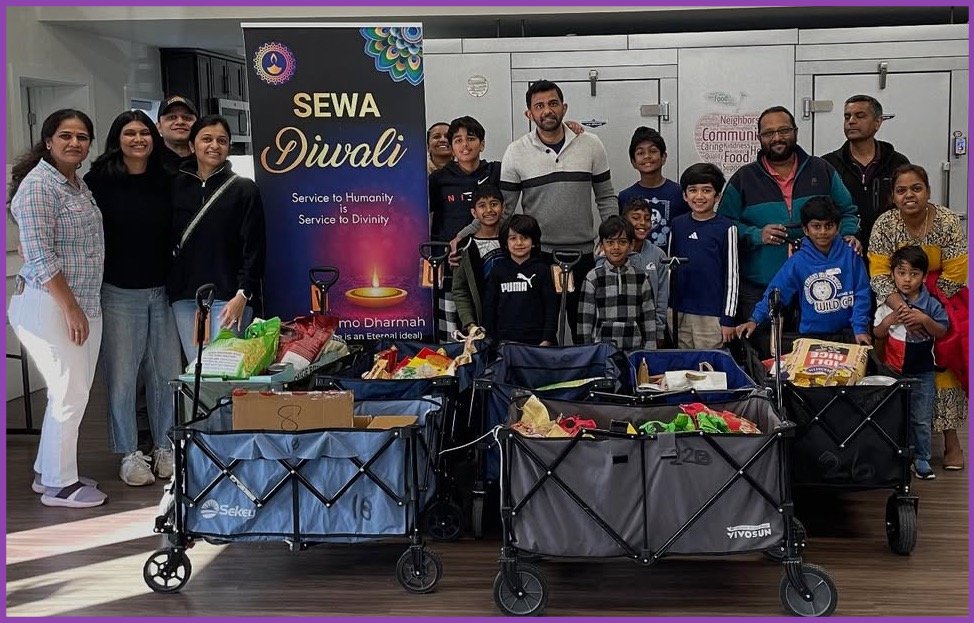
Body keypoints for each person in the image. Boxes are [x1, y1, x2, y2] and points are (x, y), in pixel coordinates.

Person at [456, 80, 617, 342]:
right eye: (539, 106)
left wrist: (609, 241)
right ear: (529, 114)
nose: (547, 111)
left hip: (584, 256)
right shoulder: (516, 152)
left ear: (564, 108)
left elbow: (606, 197)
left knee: (584, 331)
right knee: (544, 334)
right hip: (539, 259)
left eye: (553, 103)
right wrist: (465, 236)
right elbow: (501, 211)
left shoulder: (591, 144)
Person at [7, 109, 107, 508]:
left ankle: (49, 470)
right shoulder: (38, 187)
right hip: (53, 304)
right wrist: (71, 308)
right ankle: (60, 486)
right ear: (48, 140)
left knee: (70, 392)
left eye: (82, 137)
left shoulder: (74, 184)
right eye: (65, 135)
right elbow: (39, 254)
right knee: (70, 392)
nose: (74, 143)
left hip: (81, 301)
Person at [84, 110, 182, 487]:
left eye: (144, 132)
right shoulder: (97, 182)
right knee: (123, 379)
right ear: (117, 138)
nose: (138, 139)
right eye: (129, 133)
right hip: (118, 291)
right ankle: (129, 453)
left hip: (163, 292)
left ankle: (164, 447)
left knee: (166, 376)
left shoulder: (167, 180)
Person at [719, 106, 859, 352]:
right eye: (768, 133)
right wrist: (756, 234)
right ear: (759, 137)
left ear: (795, 131)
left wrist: (846, 235)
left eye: (783, 130)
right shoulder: (744, 178)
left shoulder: (822, 169)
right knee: (765, 359)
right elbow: (723, 225)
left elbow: (848, 211)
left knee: (817, 360)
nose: (776, 138)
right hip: (761, 286)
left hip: (822, 290)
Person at [868, 164, 968, 471]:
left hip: (941, 298)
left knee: (946, 362)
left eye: (916, 188)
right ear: (893, 196)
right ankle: (894, 443)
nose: (909, 195)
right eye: (901, 190)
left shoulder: (947, 220)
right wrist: (903, 308)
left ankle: (951, 444)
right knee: (895, 362)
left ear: (927, 190)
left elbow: (957, 270)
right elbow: (880, 273)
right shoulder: (885, 224)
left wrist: (924, 308)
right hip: (897, 300)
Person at [169, 115, 267, 363]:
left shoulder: (244, 189)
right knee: (197, 372)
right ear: (192, 146)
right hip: (185, 299)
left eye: (222, 140)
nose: (214, 145)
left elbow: (254, 247)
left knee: (225, 372)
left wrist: (243, 295)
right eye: (207, 139)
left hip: (228, 297)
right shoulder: (174, 186)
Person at [736, 196, 872, 346]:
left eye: (829, 225)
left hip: (849, 334)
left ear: (838, 227)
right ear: (806, 229)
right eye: (816, 226)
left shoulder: (851, 253)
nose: (823, 232)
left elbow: (862, 293)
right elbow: (777, 292)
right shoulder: (798, 261)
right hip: (811, 336)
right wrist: (755, 319)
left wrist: (860, 329)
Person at [873, 246, 948, 480]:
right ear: (893, 274)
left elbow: (943, 331)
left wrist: (925, 320)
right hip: (892, 370)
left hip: (923, 371)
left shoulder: (932, 304)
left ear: (924, 277)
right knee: (892, 415)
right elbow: (877, 333)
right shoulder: (887, 303)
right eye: (901, 273)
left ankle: (922, 458)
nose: (907, 279)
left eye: (914, 274)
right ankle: (890, 456)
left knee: (921, 418)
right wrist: (889, 321)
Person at [429, 116, 501, 340]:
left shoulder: (496, 172)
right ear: (451, 146)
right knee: (451, 334)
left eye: (471, 139)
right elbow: (427, 217)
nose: (465, 145)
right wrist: (441, 254)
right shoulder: (438, 179)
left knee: (489, 326)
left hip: (489, 262)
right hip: (451, 264)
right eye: (458, 140)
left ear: (482, 144)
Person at [822, 95, 909, 254]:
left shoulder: (897, 162)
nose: (851, 121)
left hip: (890, 252)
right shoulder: (828, 164)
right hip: (844, 250)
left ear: (878, 122)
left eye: (860, 116)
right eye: (847, 116)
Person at [668, 163, 738, 349]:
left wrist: (728, 318)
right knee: (682, 368)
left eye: (706, 190)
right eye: (693, 190)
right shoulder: (677, 225)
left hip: (711, 315)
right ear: (684, 195)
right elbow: (668, 271)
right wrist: (668, 309)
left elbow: (732, 278)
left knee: (708, 369)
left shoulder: (727, 227)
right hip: (678, 311)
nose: (699, 196)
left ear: (717, 196)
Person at [578, 216, 656, 350]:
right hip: (601, 351)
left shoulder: (641, 277)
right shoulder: (593, 278)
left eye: (622, 242)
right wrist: (586, 352)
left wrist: (649, 350)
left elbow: (648, 318)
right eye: (610, 242)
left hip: (634, 349)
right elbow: (585, 320)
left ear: (631, 245)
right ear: (602, 245)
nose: (616, 247)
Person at [482, 214, 558, 345]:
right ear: (505, 242)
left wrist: (547, 338)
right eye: (513, 238)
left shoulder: (543, 270)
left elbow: (551, 307)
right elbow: (489, 307)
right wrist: (490, 337)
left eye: (525, 238)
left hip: (537, 342)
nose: (519, 243)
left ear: (534, 242)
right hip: (504, 342)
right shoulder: (498, 270)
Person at [605, 198, 669, 346]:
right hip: (614, 331)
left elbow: (662, 297)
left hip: (648, 330)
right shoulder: (613, 253)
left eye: (647, 219)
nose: (642, 223)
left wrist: (658, 329)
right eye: (636, 218)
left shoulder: (658, 255)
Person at [617, 126, 689, 248]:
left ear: (664, 157)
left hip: (670, 262)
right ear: (633, 162)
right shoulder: (625, 197)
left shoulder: (679, 193)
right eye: (640, 153)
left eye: (653, 151)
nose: (647, 156)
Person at [452, 185, 505, 333]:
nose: (489, 210)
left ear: (503, 208)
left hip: (512, 324)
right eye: (482, 206)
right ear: (474, 213)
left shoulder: (513, 241)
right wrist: (470, 324)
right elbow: (460, 290)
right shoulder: (464, 247)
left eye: (494, 204)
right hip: (480, 323)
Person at [156, 95, 199, 175]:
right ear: (158, 127)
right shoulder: (148, 162)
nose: (180, 122)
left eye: (187, 118)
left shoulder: (207, 160)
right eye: (172, 117)